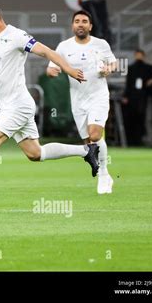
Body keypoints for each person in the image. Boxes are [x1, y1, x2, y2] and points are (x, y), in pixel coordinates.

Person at [0, 2, 99, 211]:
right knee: (35, 154)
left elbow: (46, 52)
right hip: (10, 106)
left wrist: (69, 69)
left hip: (17, 105)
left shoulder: (17, 36)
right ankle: (87, 151)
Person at [46, 10, 117, 194]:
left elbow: (113, 63)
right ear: (72, 25)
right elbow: (51, 67)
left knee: (94, 135)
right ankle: (104, 173)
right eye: (77, 21)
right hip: (78, 100)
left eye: (84, 21)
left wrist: (108, 69)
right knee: (88, 143)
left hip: (98, 96)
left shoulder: (101, 44)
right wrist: (53, 71)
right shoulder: (63, 46)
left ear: (90, 26)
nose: (80, 24)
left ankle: (103, 174)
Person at [122, 49, 152, 146]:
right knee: (132, 117)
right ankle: (132, 140)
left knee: (141, 117)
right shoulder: (131, 68)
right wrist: (125, 96)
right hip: (133, 96)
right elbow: (128, 84)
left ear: (143, 56)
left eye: (140, 55)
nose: (138, 57)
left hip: (143, 96)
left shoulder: (148, 68)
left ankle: (140, 138)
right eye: (137, 55)